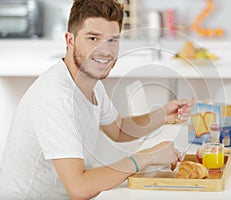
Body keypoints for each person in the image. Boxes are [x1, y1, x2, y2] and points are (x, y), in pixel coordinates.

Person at [0, 0, 195, 199]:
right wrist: (146, 157)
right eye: (93, 38)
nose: (105, 50)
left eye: (112, 40)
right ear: (70, 40)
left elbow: (118, 129)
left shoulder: (89, 82)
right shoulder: (56, 98)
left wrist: (162, 114)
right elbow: (79, 188)